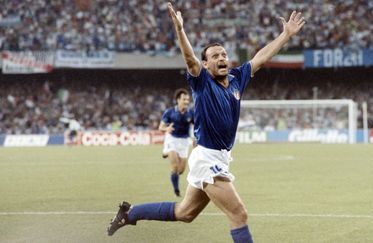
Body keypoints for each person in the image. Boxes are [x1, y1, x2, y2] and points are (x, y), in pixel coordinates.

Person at [107, 2, 305, 242]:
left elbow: (260, 58)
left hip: (219, 157)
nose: (222, 58)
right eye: (215, 56)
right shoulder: (202, 82)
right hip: (207, 159)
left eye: (224, 54)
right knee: (238, 213)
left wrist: (285, 35)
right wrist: (180, 30)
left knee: (185, 212)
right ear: (206, 64)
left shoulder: (236, 79)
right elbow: (190, 59)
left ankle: (129, 214)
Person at [159, 88, 194, 197]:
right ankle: (176, 191)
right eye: (184, 99)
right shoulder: (170, 112)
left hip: (184, 142)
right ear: (178, 100)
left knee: (181, 170)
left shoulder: (190, 113)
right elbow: (161, 127)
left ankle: (166, 152)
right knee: (174, 167)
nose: (186, 102)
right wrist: (166, 129)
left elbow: (197, 126)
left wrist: (195, 138)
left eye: (188, 99)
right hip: (172, 139)